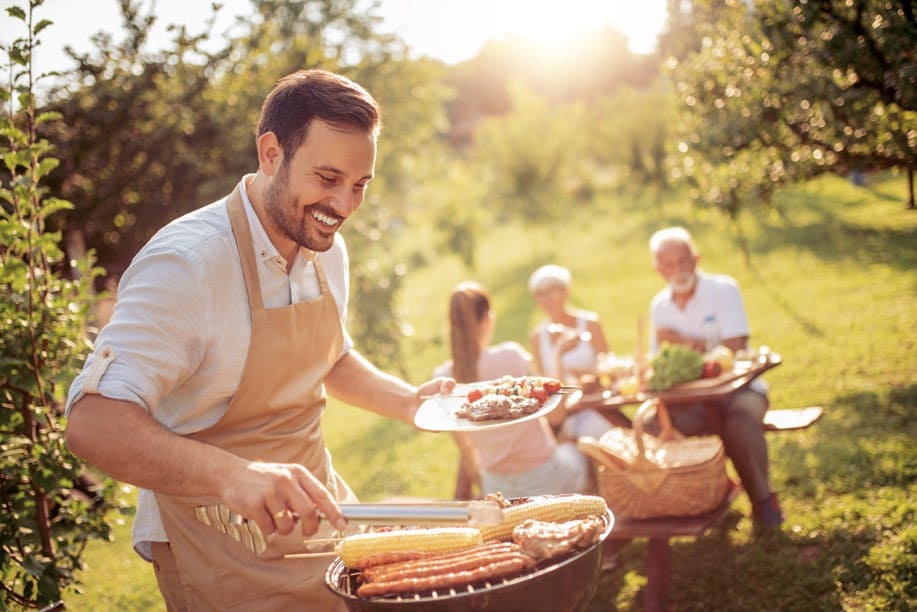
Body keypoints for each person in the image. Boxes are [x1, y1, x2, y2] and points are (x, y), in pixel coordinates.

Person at [63, 69, 454, 611]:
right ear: (271, 153)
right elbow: (91, 423)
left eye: (360, 185)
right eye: (327, 177)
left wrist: (409, 401)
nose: (343, 205)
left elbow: (329, 357)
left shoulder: (323, 246)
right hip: (218, 541)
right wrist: (232, 475)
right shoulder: (187, 264)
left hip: (320, 515)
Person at [646, 226, 784, 529]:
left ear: (696, 258)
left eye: (684, 260)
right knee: (653, 428)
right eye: (669, 264)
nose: (679, 269)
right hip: (692, 401)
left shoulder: (723, 289)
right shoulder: (659, 305)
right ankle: (700, 497)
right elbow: (659, 364)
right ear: (658, 270)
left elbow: (734, 347)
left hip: (741, 391)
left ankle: (763, 500)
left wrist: (681, 342)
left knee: (739, 423)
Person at [434, 282, 591, 499]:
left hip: (497, 488)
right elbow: (556, 416)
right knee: (583, 453)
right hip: (545, 478)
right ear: (488, 319)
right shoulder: (511, 356)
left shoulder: (443, 378)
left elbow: (468, 453)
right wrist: (558, 352)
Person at [528, 264, 614, 440]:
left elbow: (610, 368)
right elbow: (542, 384)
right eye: (541, 294)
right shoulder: (537, 336)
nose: (547, 299)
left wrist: (589, 376)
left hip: (595, 404)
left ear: (566, 292)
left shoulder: (590, 323)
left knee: (594, 428)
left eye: (552, 291)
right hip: (561, 413)